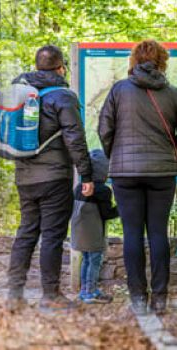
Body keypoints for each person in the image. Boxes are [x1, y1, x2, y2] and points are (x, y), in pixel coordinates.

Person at [7, 45, 94, 312]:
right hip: (54, 176)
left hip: (24, 175)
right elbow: (74, 137)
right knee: (53, 235)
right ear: (61, 68)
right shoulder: (62, 96)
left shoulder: (21, 92)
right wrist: (86, 173)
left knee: (26, 232)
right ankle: (50, 295)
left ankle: (14, 294)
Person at [98, 40, 177, 315]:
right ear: (162, 61)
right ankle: (160, 298)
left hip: (125, 173)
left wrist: (115, 155)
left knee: (132, 233)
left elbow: (105, 129)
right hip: (163, 173)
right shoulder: (172, 94)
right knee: (158, 233)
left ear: (134, 60)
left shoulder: (119, 90)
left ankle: (138, 299)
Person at [71, 149, 118, 304]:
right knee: (94, 261)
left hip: (79, 233)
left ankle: (85, 291)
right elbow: (107, 214)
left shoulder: (79, 187)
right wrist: (122, 208)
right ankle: (90, 292)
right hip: (93, 234)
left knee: (86, 260)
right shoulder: (103, 191)